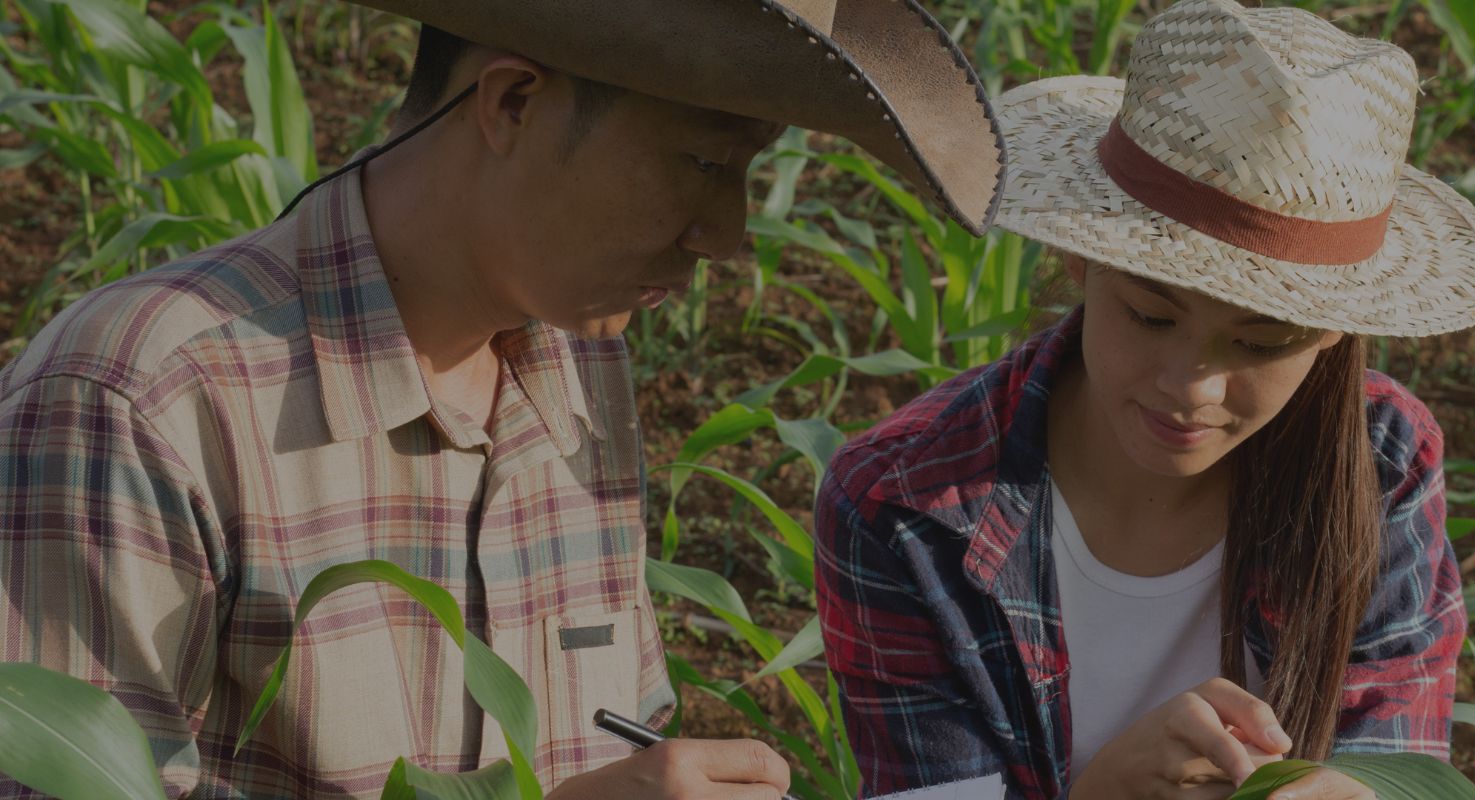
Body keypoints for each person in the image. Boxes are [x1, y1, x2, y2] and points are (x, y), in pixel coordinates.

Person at [0, 1, 1003, 797]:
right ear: (511, 102)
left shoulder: (575, 369)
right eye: (703, 161)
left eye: (746, 173)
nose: (729, 234)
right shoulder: (141, 400)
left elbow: (613, 730)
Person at [814, 1, 1475, 798]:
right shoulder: (907, 506)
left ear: (1333, 334)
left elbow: (1394, 758)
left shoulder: (1380, 460)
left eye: (1261, 343)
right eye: (1149, 315)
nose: (1190, 388)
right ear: (1077, 262)